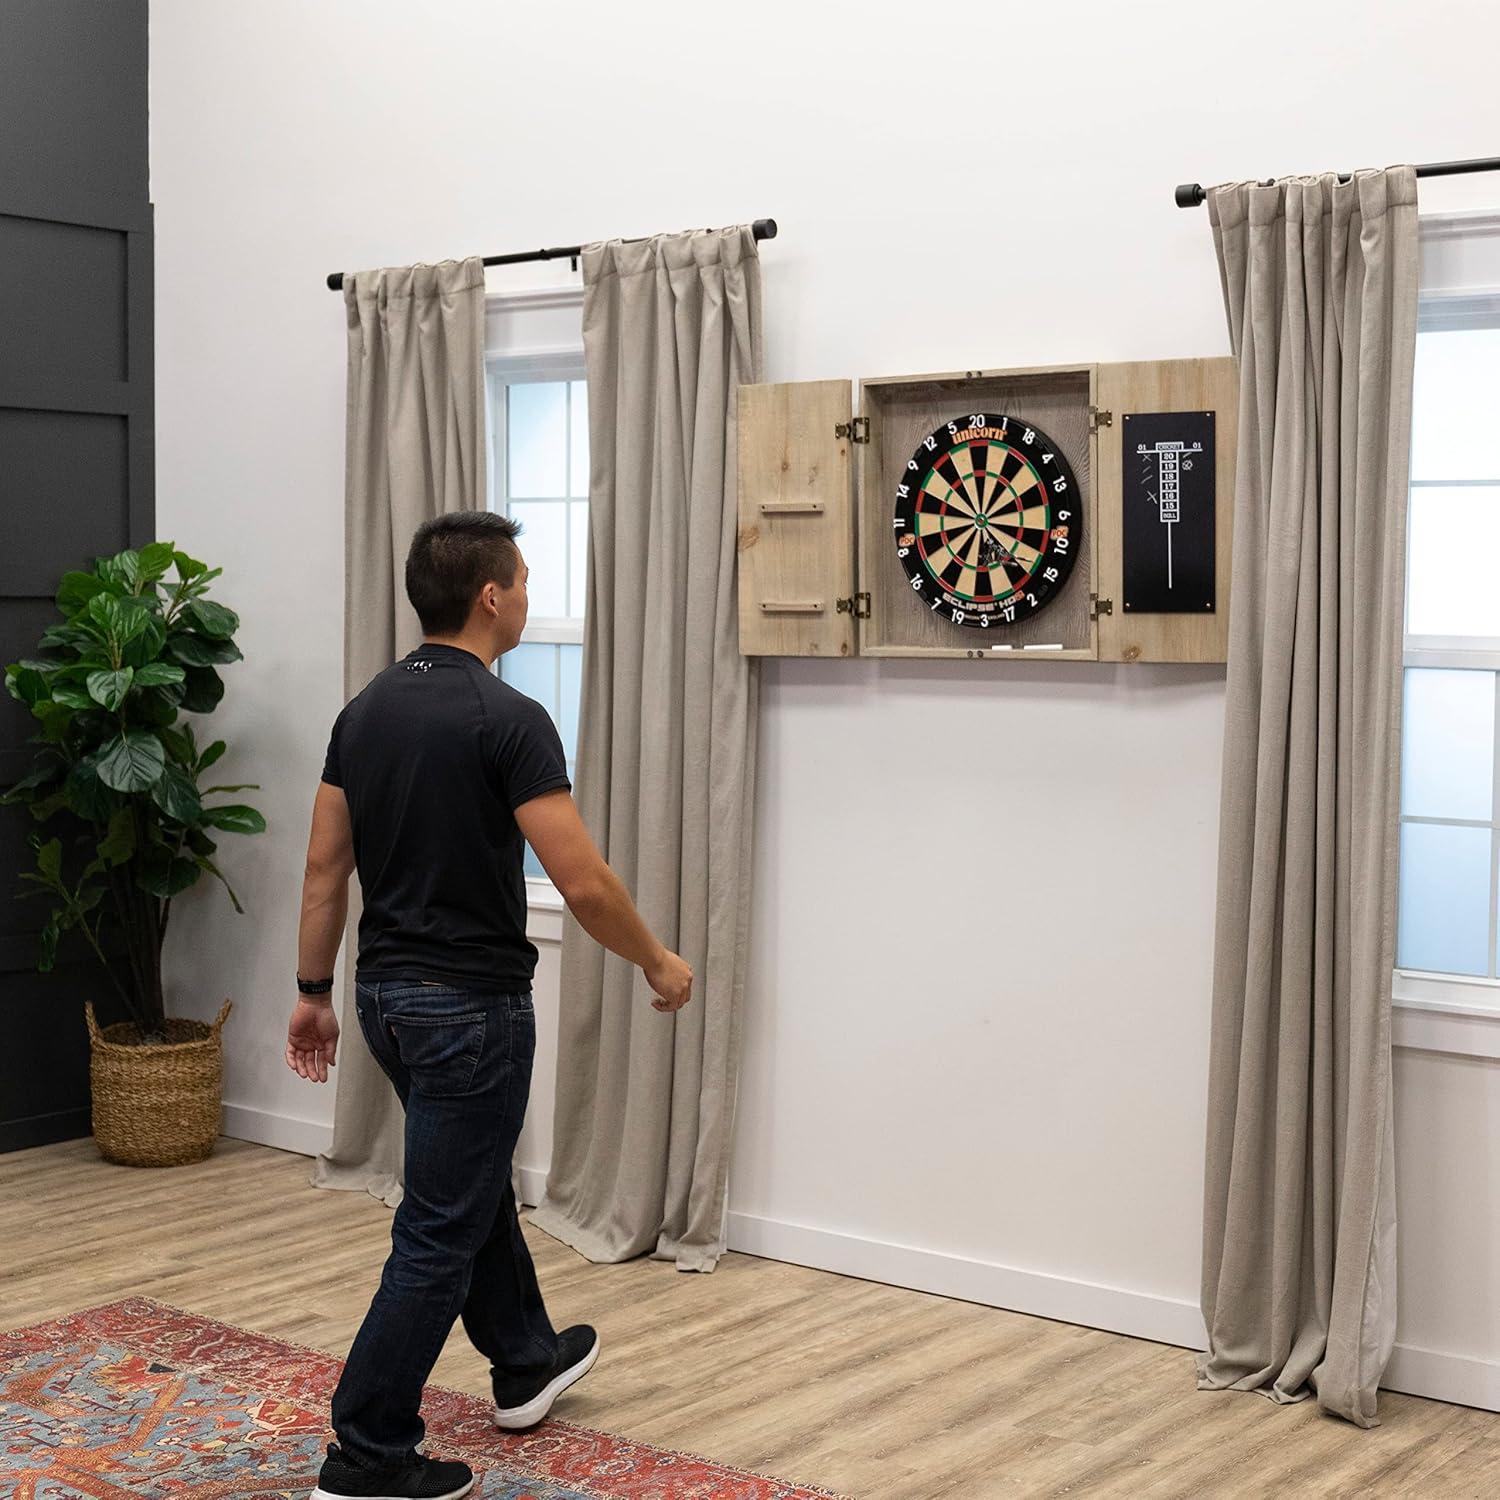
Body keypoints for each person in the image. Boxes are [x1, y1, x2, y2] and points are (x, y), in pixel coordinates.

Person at [287, 511, 693, 1500]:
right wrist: (656, 959)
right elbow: (584, 882)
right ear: (491, 596)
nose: (528, 591)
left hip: (382, 998)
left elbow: (323, 868)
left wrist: (311, 993)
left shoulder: (365, 710)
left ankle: (525, 1357)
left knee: (462, 1188)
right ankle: (367, 1450)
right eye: (523, 575)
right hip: (470, 1010)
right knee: (437, 1225)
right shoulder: (508, 720)